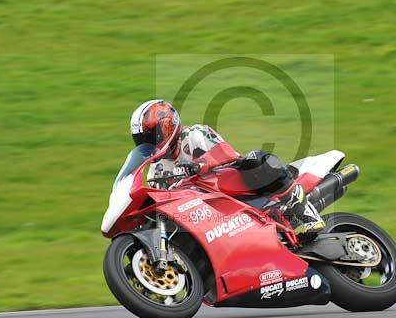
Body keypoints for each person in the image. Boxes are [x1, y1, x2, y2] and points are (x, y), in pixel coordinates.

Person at [129, 99, 325, 234]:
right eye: (142, 140)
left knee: (256, 159)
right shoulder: (156, 171)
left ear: (167, 126)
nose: (147, 144)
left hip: (232, 188)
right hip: (204, 215)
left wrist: (199, 166)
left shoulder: (194, 135)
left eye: (150, 137)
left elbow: (227, 155)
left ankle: (305, 211)